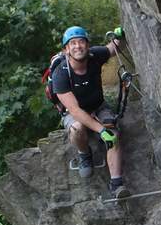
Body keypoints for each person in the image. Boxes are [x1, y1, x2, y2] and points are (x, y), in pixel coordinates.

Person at [52, 25, 130, 198]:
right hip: (75, 113)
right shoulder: (61, 74)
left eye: (81, 42)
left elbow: (113, 48)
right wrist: (100, 130)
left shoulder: (94, 56)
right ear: (66, 49)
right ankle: (84, 154)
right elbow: (74, 110)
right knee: (77, 128)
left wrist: (119, 36)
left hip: (99, 106)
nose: (77, 46)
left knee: (113, 133)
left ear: (87, 45)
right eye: (72, 43)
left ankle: (117, 185)